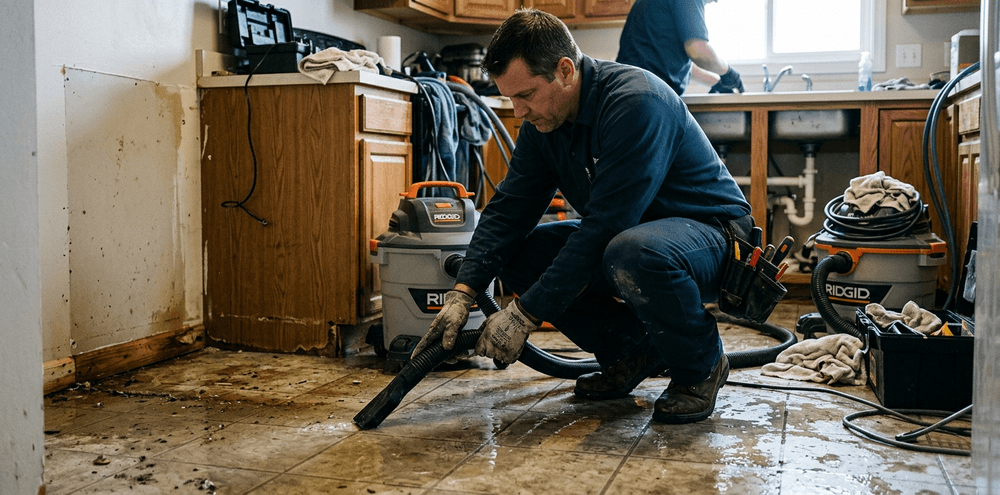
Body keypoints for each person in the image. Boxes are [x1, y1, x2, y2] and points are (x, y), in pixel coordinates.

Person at [410, 8, 752, 424]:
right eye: (511, 98)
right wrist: (463, 292)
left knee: (631, 250)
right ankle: (632, 350)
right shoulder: (545, 122)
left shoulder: (635, 102)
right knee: (520, 255)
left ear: (565, 71)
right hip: (632, 240)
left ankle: (701, 365)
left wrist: (524, 314)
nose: (518, 112)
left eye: (526, 94)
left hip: (715, 236)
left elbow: (607, 225)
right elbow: (509, 209)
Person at [616, 0, 743, 95]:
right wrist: (728, 72)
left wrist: (717, 82)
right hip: (648, 93)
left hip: (626, 89)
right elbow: (698, 52)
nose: (715, 1)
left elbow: (677, 64)